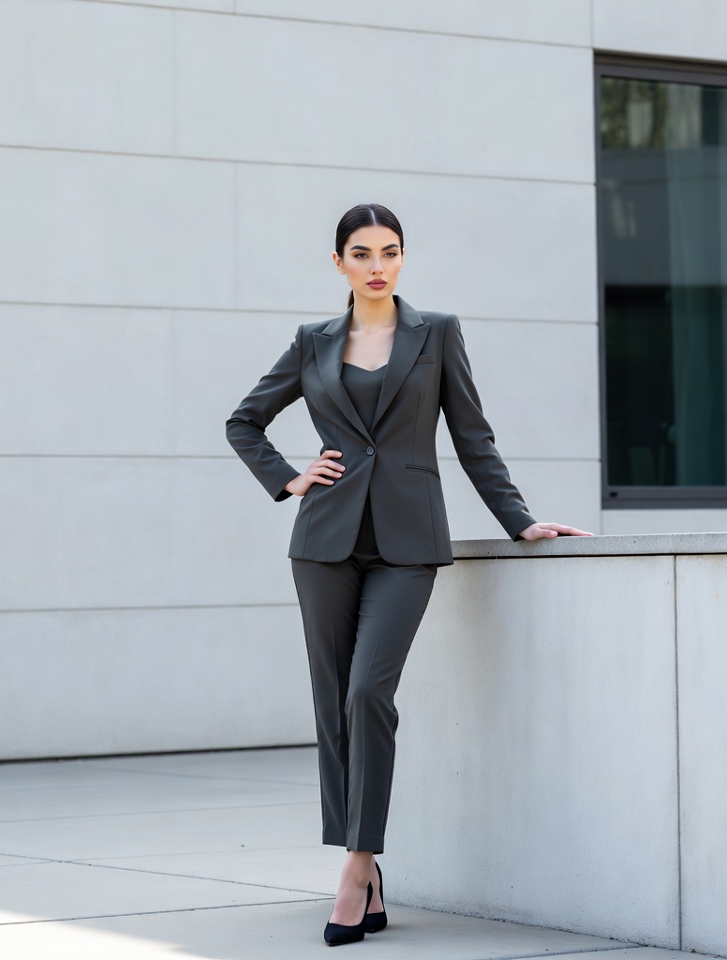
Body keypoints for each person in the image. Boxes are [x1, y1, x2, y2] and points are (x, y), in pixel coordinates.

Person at [226, 203, 592, 945]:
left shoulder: (437, 334)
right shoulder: (312, 342)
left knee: (369, 692)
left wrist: (517, 519)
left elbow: (472, 434)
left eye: (389, 251)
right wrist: (291, 478)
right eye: (361, 253)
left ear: (403, 258)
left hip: (406, 541)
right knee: (333, 707)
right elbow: (243, 420)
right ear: (339, 264)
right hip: (324, 541)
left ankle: (357, 868)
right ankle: (364, 863)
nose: (377, 265)